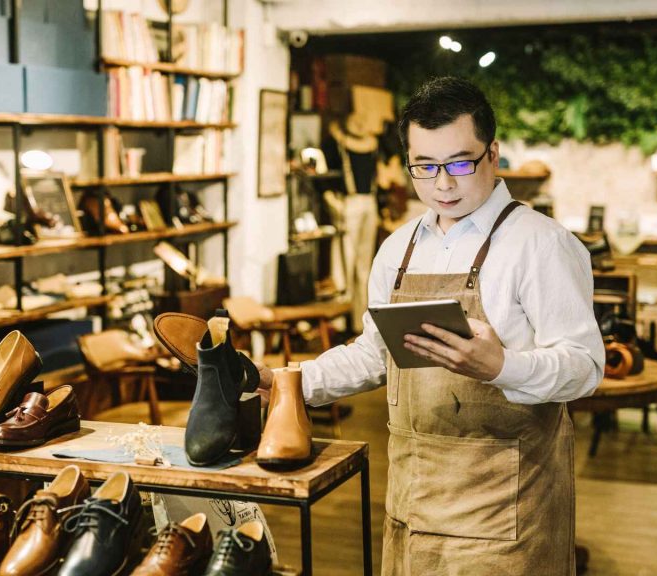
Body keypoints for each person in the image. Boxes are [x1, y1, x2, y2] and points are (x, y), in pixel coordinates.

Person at [257, 76, 604, 575]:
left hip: (506, 515)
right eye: (424, 166)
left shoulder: (540, 244)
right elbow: (376, 352)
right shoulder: (398, 249)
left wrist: (504, 366)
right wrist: (292, 381)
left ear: (493, 155)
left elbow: (585, 368)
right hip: (412, 503)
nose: (443, 183)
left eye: (460, 163)